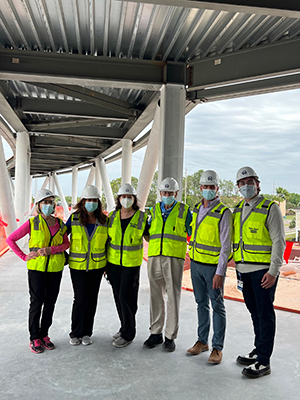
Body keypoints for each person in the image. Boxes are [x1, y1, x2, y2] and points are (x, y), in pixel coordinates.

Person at [233, 166, 285, 378]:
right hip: (244, 271)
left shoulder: (270, 208)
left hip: (263, 272)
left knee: (265, 315)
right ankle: (258, 349)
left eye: (250, 181)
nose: (246, 186)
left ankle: (264, 360)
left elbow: (278, 241)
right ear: (238, 187)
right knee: (255, 313)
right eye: (242, 183)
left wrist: (273, 271)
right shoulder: (238, 209)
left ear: (258, 183)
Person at [6, 189, 69, 354]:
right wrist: (24, 256)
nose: (49, 205)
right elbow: (10, 239)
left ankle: (44, 335)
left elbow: (66, 245)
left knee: (50, 304)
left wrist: (52, 249)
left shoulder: (60, 224)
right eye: (45, 202)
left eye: (51, 202)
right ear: (39, 206)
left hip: (55, 269)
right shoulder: (32, 223)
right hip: (37, 270)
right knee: (36, 303)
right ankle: (34, 337)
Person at [187, 170, 232, 364]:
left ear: (217, 189)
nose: (208, 190)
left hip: (212, 268)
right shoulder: (196, 209)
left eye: (211, 187)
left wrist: (220, 272)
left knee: (217, 306)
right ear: (200, 188)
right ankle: (202, 341)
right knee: (201, 304)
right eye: (205, 186)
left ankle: (217, 348)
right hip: (196, 265)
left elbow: (225, 246)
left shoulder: (223, 212)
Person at [143, 177, 192, 352]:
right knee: (155, 296)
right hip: (155, 256)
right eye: (164, 192)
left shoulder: (184, 211)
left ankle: (170, 336)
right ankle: (155, 333)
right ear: (160, 193)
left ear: (176, 194)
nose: (167, 195)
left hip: (174, 258)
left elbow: (191, 233)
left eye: (170, 193)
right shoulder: (154, 210)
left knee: (172, 296)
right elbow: (148, 232)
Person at [106, 183, 148, 348]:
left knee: (127, 297)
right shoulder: (112, 217)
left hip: (131, 265)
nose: (126, 199)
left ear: (134, 199)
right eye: (123, 196)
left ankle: (129, 334)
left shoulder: (142, 217)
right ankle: (124, 327)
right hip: (113, 263)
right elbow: (106, 240)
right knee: (118, 297)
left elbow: (150, 237)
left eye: (129, 197)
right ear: (118, 199)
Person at [66, 185, 108, 346]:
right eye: (88, 200)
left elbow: (109, 244)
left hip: (97, 267)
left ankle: (87, 333)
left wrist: (108, 267)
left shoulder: (104, 221)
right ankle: (75, 332)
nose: (91, 203)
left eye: (94, 200)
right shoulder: (74, 218)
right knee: (80, 299)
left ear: (98, 202)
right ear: (83, 202)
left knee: (92, 300)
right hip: (77, 267)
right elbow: (61, 237)